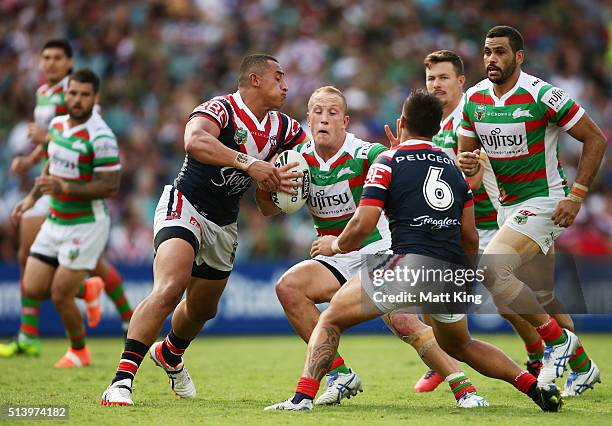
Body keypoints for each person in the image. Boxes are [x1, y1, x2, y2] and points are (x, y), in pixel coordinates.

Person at [265, 91, 561, 412]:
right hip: (450, 270)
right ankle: (534, 388)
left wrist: (335, 245)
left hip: (407, 264)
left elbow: (364, 224)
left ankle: (302, 397)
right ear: (436, 128)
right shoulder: (453, 168)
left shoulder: (387, 160)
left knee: (331, 319)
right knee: (462, 344)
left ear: (402, 123)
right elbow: (470, 237)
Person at [100, 54, 307, 406]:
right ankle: (121, 381)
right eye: (278, 76)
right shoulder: (221, 108)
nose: (286, 85)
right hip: (185, 205)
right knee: (169, 287)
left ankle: (170, 353)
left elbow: (303, 167)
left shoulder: (285, 129)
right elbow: (194, 140)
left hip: (224, 223)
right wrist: (250, 163)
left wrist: (280, 187)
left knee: (202, 310)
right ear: (254, 80)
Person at [457, 26, 606, 396]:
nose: (492, 59)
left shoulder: (542, 95)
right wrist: (470, 167)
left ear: (518, 57)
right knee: (539, 295)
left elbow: (595, 138)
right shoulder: (474, 100)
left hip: (545, 201)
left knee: (493, 270)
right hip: (507, 207)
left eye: (501, 52)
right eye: (488, 52)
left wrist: (577, 195)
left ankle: (556, 343)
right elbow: (470, 171)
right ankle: (583, 368)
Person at [0, 39, 134, 359]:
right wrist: (33, 171)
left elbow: (69, 142)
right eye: (44, 57)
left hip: (78, 196)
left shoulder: (85, 108)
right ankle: (86, 292)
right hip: (54, 185)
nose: (49, 64)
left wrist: (51, 170)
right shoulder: (45, 95)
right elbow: (55, 143)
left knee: (50, 269)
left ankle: (40, 335)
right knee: (33, 268)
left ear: (69, 62)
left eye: (57, 58)